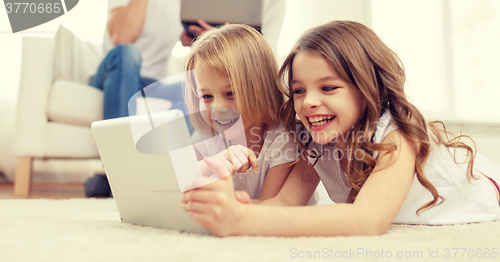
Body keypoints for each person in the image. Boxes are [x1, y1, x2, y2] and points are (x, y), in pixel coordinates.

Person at [181, 20, 500, 236]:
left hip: (486, 189)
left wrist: (242, 219)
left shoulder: (397, 135)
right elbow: (283, 205)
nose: (308, 103)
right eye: (299, 90)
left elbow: (368, 219)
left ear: (367, 88)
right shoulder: (312, 140)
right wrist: (218, 206)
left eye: (328, 88)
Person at [182, 24, 317, 204]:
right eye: (206, 96)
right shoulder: (206, 136)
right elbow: (176, 184)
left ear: (261, 89)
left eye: (231, 93)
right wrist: (208, 166)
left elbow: (268, 208)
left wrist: (214, 202)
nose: (218, 108)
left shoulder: (283, 139)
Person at [85, 0, 185, 197]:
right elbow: (122, 37)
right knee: (127, 54)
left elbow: (188, 40)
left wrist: (204, 34)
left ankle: (173, 173)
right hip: (116, 72)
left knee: (192, 86)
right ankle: (119, 168)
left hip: (152, 83)